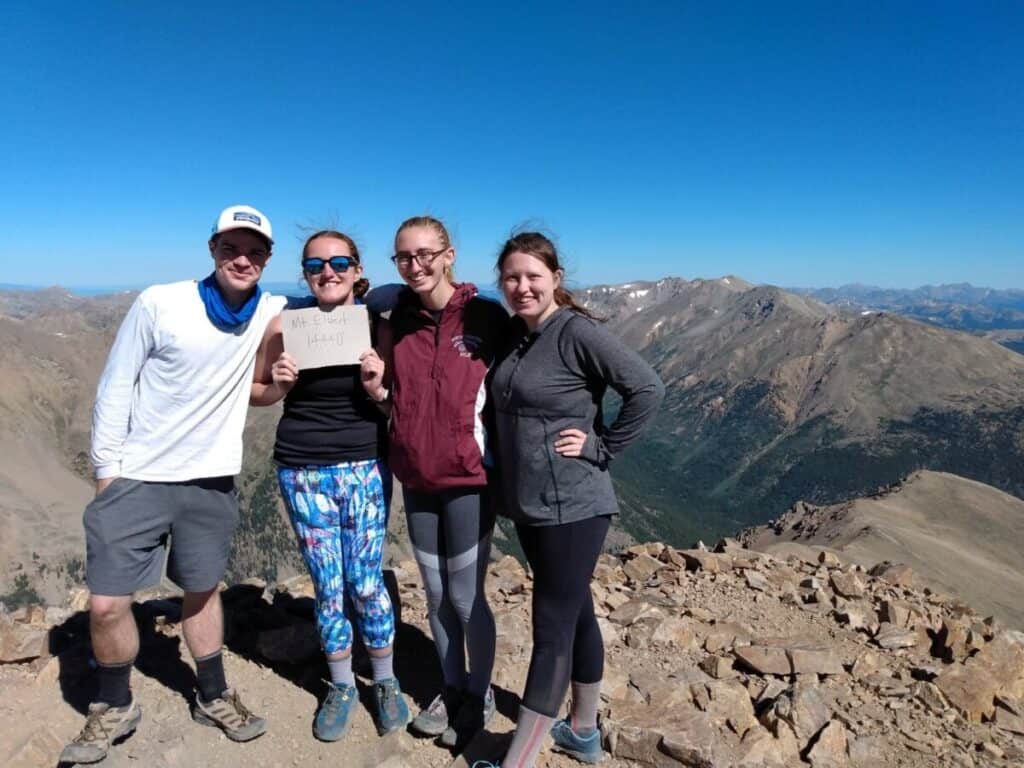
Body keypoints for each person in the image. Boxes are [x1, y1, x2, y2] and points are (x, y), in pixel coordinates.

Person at [61, 205, 286, 764]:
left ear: (267, 260)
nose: (243, 259)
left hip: (210, 481)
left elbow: (337, 305)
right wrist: (106, 472)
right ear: (212, 249)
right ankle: (114, 704)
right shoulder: (160, 302)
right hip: (137, 476)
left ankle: (212, 693)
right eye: (232, 248)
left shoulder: (271, 310)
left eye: (255, 251)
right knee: (109, 603)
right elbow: (117, 385)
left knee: (202, 590)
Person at [481, 232, 665, 768]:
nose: (522, 287)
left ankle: (516, 760)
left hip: (574, 506)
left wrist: (602, 446)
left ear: (555, 280)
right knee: (576, 610)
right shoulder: (517, 334)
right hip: (533, 504)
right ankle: (583, 731)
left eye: (533, 277)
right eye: (512, 277)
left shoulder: (576, 332)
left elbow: (647, 388)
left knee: (551, 630)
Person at [249, 229, 410, 740]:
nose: (328, 272)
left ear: (358, 270)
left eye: (340, 262)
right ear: (304, 274)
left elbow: (393, 404)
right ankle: (341, 684)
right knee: (327, 584)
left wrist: (377, 387)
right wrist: (278, 382)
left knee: (364, 581)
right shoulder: (282, 325)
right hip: (302, 467)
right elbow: (257, 394)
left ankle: (384, 681)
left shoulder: (374, 325)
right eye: (316, 265)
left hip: (364, 462)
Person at [362, 215, 510, 748]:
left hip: (470, 479)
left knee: (467, 598)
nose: (416, 265)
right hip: (417, 477)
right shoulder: (395, 318)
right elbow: (395, 396)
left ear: (450, 254)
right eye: (404, 257)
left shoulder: (486, 317)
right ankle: (450, 687)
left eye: (427, 254)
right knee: (435, 592)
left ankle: (480, 690)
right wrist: (380, 394)